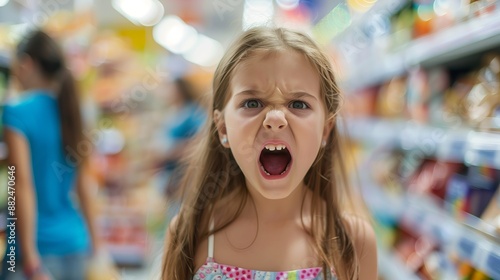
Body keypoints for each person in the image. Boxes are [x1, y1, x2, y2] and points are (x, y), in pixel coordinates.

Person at [161, 26, 377, 280]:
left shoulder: (352, 243)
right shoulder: (190, 234)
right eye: (252, 103)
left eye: (298, 104)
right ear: (222, 127)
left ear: (325, 130)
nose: (275, 119)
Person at [1, 30, 101, 280]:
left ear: (26, 64)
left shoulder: (16, 112)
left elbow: (19, 185)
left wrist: (30, 260)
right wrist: (97, 247)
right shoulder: (73, 111)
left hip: (33, 252)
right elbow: (84, 185)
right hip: (75, 245)